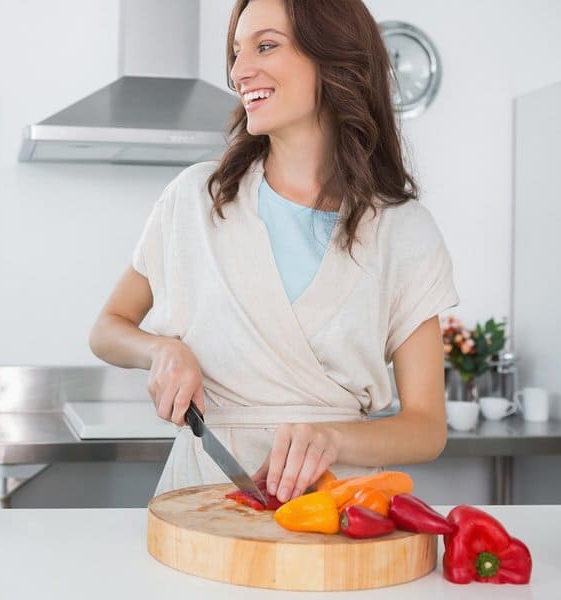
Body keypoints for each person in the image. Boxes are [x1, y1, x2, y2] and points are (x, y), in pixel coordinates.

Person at [89, 0, 458, 504]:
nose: (240, 71)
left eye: (265, 46)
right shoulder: (195, 199)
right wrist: (162, 350)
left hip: (338, 509)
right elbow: (107, 328)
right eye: (237, 53)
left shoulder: (402, 229)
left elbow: (426, 427)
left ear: (334, 59)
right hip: (203, 499)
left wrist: (332, 439)